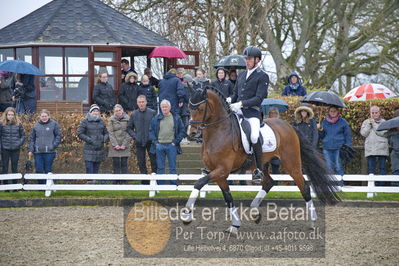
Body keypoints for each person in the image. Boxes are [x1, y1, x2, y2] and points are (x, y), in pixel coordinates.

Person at [228, 46, 269, 181]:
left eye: (250, 59)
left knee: (254, 136)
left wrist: (242, 103)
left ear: (257, 60)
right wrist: (229, 100)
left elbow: (259, 98)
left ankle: (258, 169)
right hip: (238, 111)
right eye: (246, 59)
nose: (247, 61)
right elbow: (235, 93)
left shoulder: (262, 76)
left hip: (252, 113)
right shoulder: (241, 75)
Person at [149, 99, 185, 185]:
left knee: (172, 167)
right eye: (163, 107)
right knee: (160, 167)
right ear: (160, 108)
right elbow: (151, 131)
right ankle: (161, 185)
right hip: (159, 146)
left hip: (171, 146)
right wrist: (155, 143)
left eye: (166, 107)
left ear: (169, 107)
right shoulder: (156, 119)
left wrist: (175, 142)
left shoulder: (176, 118)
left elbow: (182, 130)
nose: (164, 109)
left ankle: (173, 184)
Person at [318, 106, 352, 186]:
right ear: (328, 112)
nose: (333, 112)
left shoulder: (343, 122)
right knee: (329, 167)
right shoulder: (324, 122)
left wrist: (347, 146)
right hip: (327, 147)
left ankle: (340, 185)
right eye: (331, 111)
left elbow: (348, 135)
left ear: (338, 112)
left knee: (338, 167)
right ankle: (331, 186)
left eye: (334, 111)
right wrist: (319, 129)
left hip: (339, 147)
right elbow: (322, 136)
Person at [127, 95, 157, 184]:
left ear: (146, 102)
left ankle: (155, 181)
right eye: (139, 102)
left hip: (150, 142)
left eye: (143, 102)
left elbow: (157, 127)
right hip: (139, 141)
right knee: (141, 162)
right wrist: (135, 136)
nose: (141, 104)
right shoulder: (134, 114)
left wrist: (154, 137)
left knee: (154, 162)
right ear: (137, 103)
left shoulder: (152, 113)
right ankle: (144, 181)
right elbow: (129, 128)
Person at [28, 110, 62, 184]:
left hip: (49, 152)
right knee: (39, 170)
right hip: (38, 152)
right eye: (42, 116)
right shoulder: (36, 126)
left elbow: (58, 136)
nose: (44, 118)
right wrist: (31, 150)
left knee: (48, 170)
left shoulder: (54, 124)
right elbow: (32, 139)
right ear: (40, 117)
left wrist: (53, 146)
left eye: (45, 116)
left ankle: (48, 187)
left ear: (49, 116)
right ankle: (41, 187)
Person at [360, 106, 389, 186]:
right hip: (370, 148)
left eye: (376, 112)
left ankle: (381, 186)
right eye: (372, 113)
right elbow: (363, 134)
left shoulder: (384, 122)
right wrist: (369, 124)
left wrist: (374, 124)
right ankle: (372, 185)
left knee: (382, 168)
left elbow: (382, 133)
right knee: (371, 168)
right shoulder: (366, 122)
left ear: (379, 113)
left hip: (381, 148)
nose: (374, 114)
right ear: (370, 113)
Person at [77, 104, 108, 174]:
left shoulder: (101, 122)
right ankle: (89, 183)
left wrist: (104, 139)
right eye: (94, 111)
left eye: (97, 111)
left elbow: (106, 133)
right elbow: (80, 133)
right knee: (89, 168)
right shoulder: (85, 121)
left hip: (99, 149)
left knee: (96, 169)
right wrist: (89, 140)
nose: (95, 112)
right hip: (89, 149)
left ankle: (95, 183)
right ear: (90, 112)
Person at [0, 107, 25, 180]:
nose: (10, 116)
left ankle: (15, 186)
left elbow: (23, 135)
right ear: (6, 115)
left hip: (16, 149)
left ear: (14, 115)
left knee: (14, 167)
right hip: (5, 149)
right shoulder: (1, 124)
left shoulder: (18, 124)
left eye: (12, 114)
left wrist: (19, 143)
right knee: (5, 167)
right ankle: (5, 186)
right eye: (9, 114)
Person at [107, 104, 131, 177]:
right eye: (116, 111)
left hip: (125, 143)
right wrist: (115, 144)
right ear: (114, 112)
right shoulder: (111, 119)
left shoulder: (128, 118)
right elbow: (110, 132)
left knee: (124, 163)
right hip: (115, 144)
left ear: (122, 110)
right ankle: (117, 181)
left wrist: (124, 144)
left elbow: (129, 131)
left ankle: (124, 180)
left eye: (119, 110)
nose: (118, 112)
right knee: (116, 163)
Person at [267, 108, 281, 174]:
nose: (273, 115)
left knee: (275, 167)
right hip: (267, 148)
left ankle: (276, 183)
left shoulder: (281, 125)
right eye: (271, 114)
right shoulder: (266, 124)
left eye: (275, 114)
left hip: (277, 149)